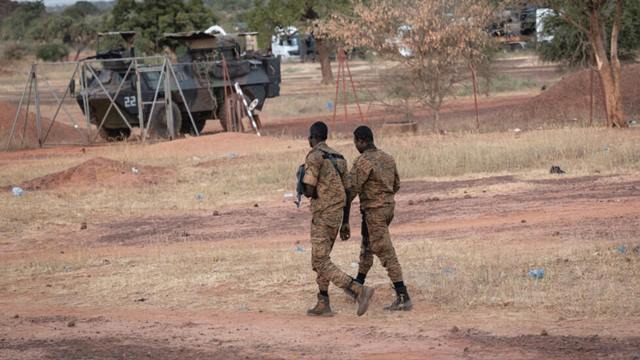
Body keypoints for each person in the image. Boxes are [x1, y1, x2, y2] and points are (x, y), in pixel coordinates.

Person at [301, 121, 375, 317]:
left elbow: (308, 188)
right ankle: (323, 301)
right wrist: (345, 221)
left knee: (320, 260)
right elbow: (349, 191)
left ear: (313, 137)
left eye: (309, 137)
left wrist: (302, 184)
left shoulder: (314, 156)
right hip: (336, 216)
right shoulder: (339, 157)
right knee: (321, 259)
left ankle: (358, 290)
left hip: (323, 215)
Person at [341, 125, 412, 311]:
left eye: (356, 142)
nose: (356, 145)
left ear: (361, 141)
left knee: (385, 252)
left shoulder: (362, 162)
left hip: (374, 212)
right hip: (388, 209)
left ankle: (403, 295)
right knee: (367, 247)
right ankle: (357, 286)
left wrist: (345, 220)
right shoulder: (388, 158)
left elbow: (350, 191)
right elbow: (396, 185)